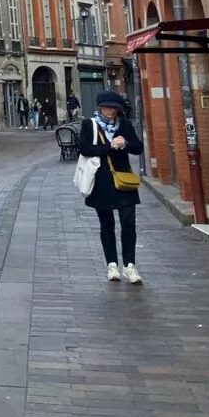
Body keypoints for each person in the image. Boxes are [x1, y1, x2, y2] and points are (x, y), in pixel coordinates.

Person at [79, 90, 145, 284]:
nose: (111, 111)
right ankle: (112, 265)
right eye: (107, 107)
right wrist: (110, 146)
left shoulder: (124, 125)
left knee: (128, 222)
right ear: (100, 107)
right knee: (107, 224)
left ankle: (130, 265)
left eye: (114, 108)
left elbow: (138, 147)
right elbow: (84, 149)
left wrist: (124, 143)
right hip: (101, 181)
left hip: (124, 179)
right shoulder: (89, 125)